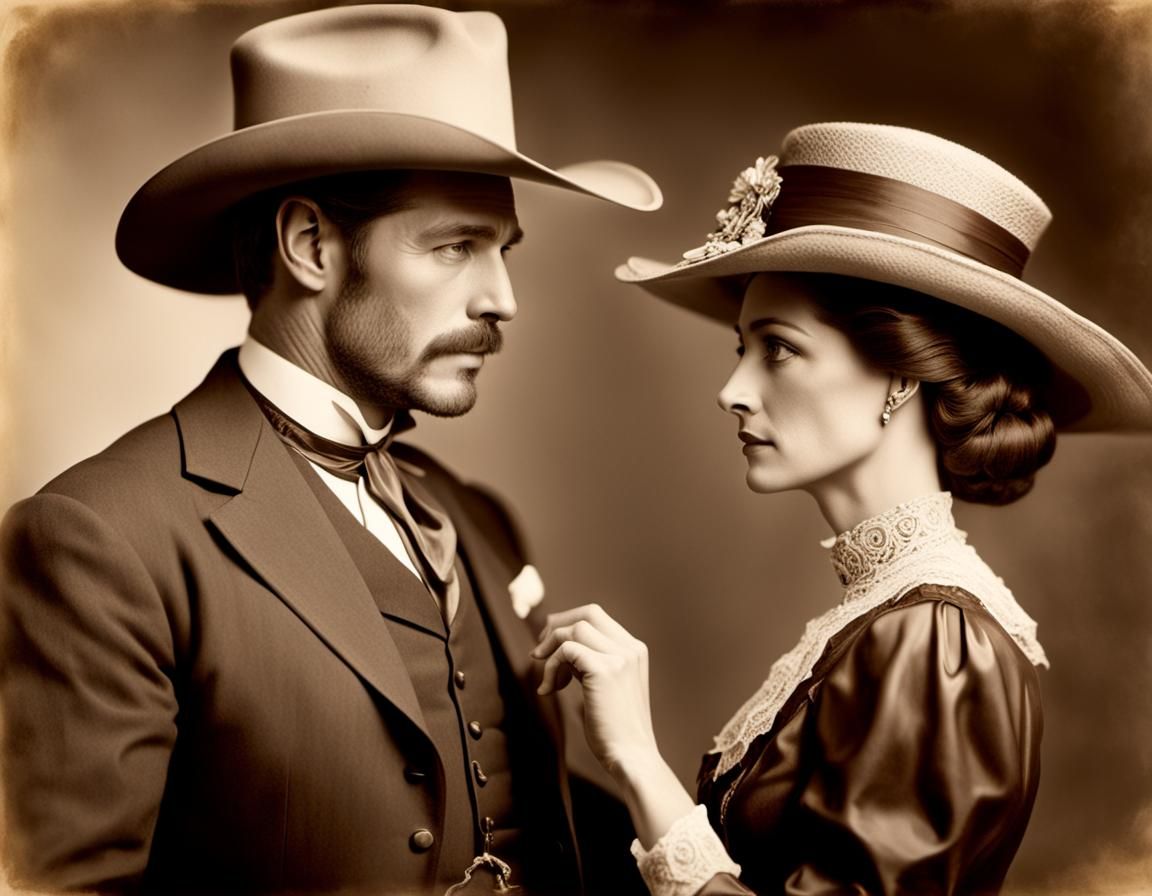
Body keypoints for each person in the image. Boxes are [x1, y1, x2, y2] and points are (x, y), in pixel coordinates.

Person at [0, 5, 662, 894]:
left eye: (502, 250)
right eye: (455, 247)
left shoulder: (475, 518)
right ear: (310, 244)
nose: (502, 299)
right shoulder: (101, 536)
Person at [532, 122, 1152, 895]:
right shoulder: (885, 620)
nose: (733, 391)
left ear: (901, 375)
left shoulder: (938, 643)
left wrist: (636, 758)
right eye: (741, 350)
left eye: (779, 348)